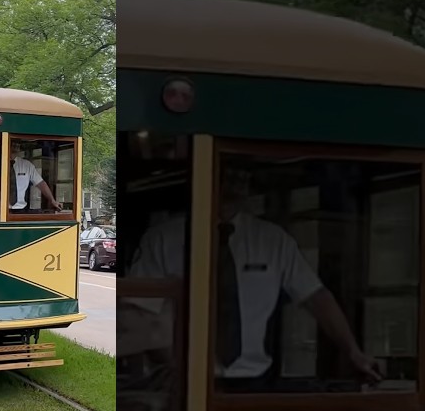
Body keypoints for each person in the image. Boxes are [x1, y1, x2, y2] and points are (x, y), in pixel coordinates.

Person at [125, 162, 383, 388]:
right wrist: (171, 365)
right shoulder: (163, 238)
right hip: (180, 379)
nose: (234, 184)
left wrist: (353, 352)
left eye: (242, 175)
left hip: (253, 382)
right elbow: (141, 309)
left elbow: (316, 297)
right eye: (227, 173)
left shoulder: (273, 240)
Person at [0, 145, 61, 211]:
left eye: (18, 143)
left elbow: (40, 183)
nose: (16, 146)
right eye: (13, 142)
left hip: (21, 210)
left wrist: (52, 200)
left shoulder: (27, 165)